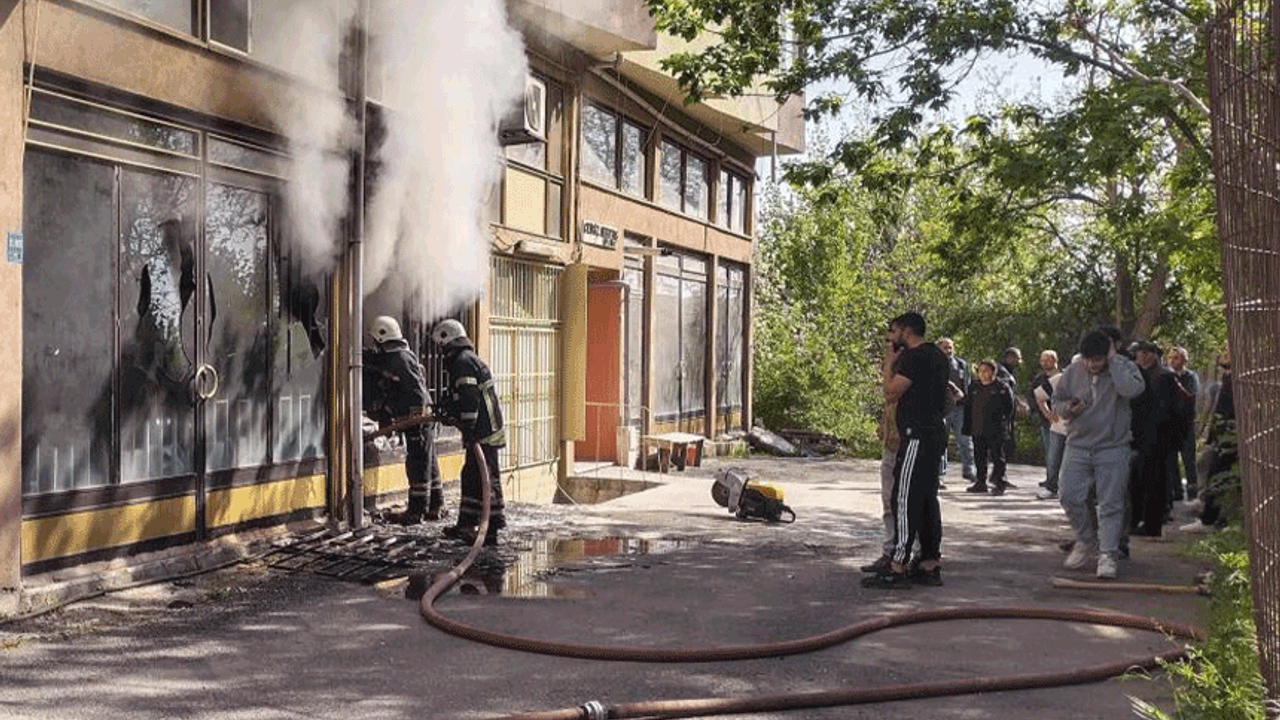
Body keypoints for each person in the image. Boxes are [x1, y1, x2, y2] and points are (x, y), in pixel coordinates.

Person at [862, 311, 950, 589]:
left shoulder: (914, 357)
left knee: (903, 498)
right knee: (926, 499)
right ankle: (928, 562)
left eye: (894, 331)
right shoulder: (938, 356)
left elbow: (890, 392)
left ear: (907, 331)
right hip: (934, 435)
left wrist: (889, 363)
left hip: (916, 437)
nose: (891, 337)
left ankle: (898, 565)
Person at [1052, 329, 1146, 579]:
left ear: (1108, 354)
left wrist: (1113, 361)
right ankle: (1085, 540)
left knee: (1110, 503)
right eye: (1088, 359)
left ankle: (1107, 555)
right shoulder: (1073, 371)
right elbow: (1056, 401)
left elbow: (1131, 390)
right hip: (1078, 445)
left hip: (1113, 447)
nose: (1092, 365)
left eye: (1097, 359)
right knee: (1068, 495)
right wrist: (1068, 408)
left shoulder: (1123, 367)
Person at [432, 318, 508, 546]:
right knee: (472, 475)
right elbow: (461, 396)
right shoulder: (466, 359)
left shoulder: (462, 362)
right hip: (484, 428)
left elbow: (469, 399)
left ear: (447, 341)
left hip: (484, 430)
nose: (441, 352)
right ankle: (466, 524)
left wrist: (468, 429)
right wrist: (447, 406)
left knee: (486, 478)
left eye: (441, 346)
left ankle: (490, 529)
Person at [363, 316, 444, 525]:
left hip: (417, 418)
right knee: (428, 460)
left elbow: (415, 391)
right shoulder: (401, 355)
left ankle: (417, 511)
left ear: (382, 337)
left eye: (376, 340)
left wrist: (415, 417)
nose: (374, 344)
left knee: (418, 463)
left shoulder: (398, 359)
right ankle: (435, 506)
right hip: (420, 417)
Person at [1129, 340, 1179, 537]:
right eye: (1138, 353)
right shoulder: (1140, 374)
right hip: (1141, 436)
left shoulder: (1164, 376)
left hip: (1157, 437)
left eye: (1144, 353)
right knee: (1138, 480)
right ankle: (1137, 520)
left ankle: (1152, 524)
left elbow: (1164, 409)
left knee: (1155, 482)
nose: (1140, 357)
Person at [1182, 348, 1234, 533]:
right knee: (1209, 468)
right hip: (1221, 435)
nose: (1223, 354)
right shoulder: (1227, 378)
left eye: (1227, 352)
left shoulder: (1233, 380)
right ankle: (1206, 506)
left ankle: (1210, 518)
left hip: (1227, 435)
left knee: (1217, 472)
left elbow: (1225, 411)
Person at [963, 359, 1014, 495]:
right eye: (980, 371)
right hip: (978, 427)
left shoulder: (1002, 387)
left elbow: (1009, 408)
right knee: (979, 457)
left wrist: (1005, 424)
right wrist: (968, 426)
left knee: (998, 457)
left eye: (986, 370)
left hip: (996, 429)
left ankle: (999, 483)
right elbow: (968, 407)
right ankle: (981, 482)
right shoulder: (974, 387)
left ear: (993, 372)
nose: (983, 373)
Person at [937, 337, 976, 483]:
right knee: (940, 442)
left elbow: (968, 385)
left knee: (965, 441)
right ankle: (939, 475)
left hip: (960, 409)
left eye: (950, 347)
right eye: (945, 347)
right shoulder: (933, 363)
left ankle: (969, 471)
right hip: (941, 409)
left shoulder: (961, 364)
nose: (948, 350)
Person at [1165, 346, 1200, 501]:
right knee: (1171, 461)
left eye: (1177, 358)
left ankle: (1192, 492)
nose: (1173, 361)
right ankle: (1177, 492)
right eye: (1171, 358)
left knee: (1189, 460)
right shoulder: (1166, 376)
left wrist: (1176, 384)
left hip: (1186, 424)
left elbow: (1190, 397)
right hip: (1170, 425)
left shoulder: (1190, 376)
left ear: (1184, 360)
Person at [1033, 361, 1068, 500]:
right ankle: (1051, 487)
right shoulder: (1059, 379)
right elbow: (1039, 395)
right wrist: (1047, 413)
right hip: (1059, 427)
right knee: (1054, 459)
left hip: (1082, 430)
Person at [1029, 350, 1061, 486]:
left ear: (1054, 360)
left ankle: (1060, 480)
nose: (1044, 363)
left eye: (1047, 360)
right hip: (1046, 421)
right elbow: (1035, 397)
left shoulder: (1064, 376)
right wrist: (1045, 414)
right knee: (1050, 451)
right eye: (1042, 360)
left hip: (1064, 421)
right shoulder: (1039, 380)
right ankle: (1051, 479)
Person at [997, 346, 1024, 465]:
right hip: (1001, 412)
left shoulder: (1008, 371)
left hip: (1007, 412)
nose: (1018, 362)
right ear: (1010, 357)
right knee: (1003, 440)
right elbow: (1004, 391)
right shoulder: (1001, 371)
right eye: (1017, 359)